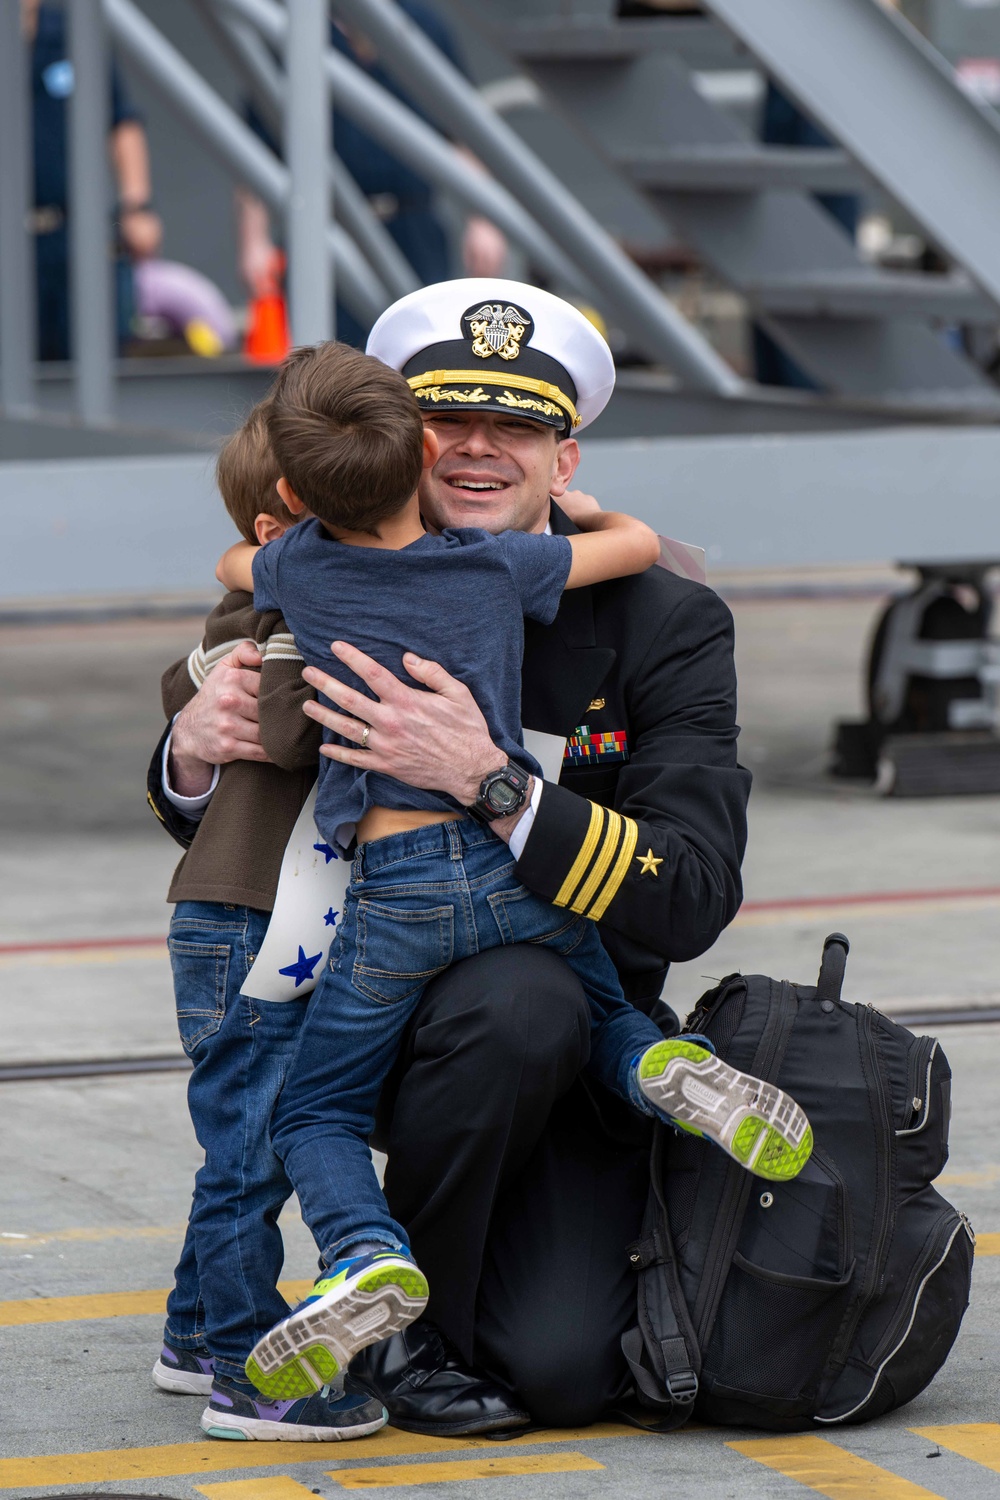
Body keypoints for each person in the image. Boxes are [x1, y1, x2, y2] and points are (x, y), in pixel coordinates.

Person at [148, 276, 753, 1433]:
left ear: (564, 461)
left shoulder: (661, 621)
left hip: (534, 1045)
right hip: (348, 997)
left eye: (515, 426)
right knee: (467, 1017)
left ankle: (409, 1268)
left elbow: (690, 895)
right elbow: (225, 824)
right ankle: (391, 1325)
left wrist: (486, 779)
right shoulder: (326, 561)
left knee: (565, 1368)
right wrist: (187, 748)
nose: (476, 449)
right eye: (446, 422)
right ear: (390, 442)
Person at [151, 400, 387, 1443]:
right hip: (251, 917)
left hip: (255, 913)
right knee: (251, 1149)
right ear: (273, 533)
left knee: (236, 1145)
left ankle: (192, 1329)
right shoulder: (278, 623)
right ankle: (249, 1368)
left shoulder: (255, 612)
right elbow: (291, 731)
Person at [238, 1, 506, 347]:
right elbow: (261, 143)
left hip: (413, 227)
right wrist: (253, 241)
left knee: (420, 356)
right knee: (325, 366)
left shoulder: (423, 25)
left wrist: (483, 218)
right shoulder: (287, 27)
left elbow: (461, 128)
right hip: (325, 234)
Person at [24, 0, 162, 360]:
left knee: (97, 359)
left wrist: (137, 206)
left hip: (75, 234)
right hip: (11, 244)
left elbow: (122, 122)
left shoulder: (74, 36)